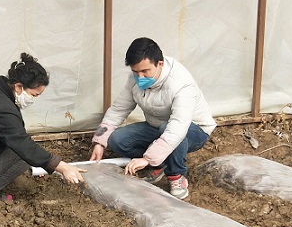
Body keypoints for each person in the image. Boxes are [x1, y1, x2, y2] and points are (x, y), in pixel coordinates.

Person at [90, 37, 215, 200]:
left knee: (167, 128)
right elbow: (118, 110)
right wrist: (99, 142)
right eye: (135, 72)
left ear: (160, 64)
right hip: (157, 126)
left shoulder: (181, 84)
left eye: (145, 71)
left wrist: (146, 159)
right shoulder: (135, 79)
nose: (140, 77)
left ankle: (176, 176)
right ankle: (161, 162)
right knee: (117, 140)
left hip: (193, 130)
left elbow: (178, 126)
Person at [0, 53, 85, 199]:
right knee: (23, 155)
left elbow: (14, 136)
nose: (34, 99)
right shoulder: (0, 108)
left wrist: (41, 163)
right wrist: (62, 167)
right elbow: (23, 144)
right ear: (18, 86)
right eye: (34, 95)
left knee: (26, 152)